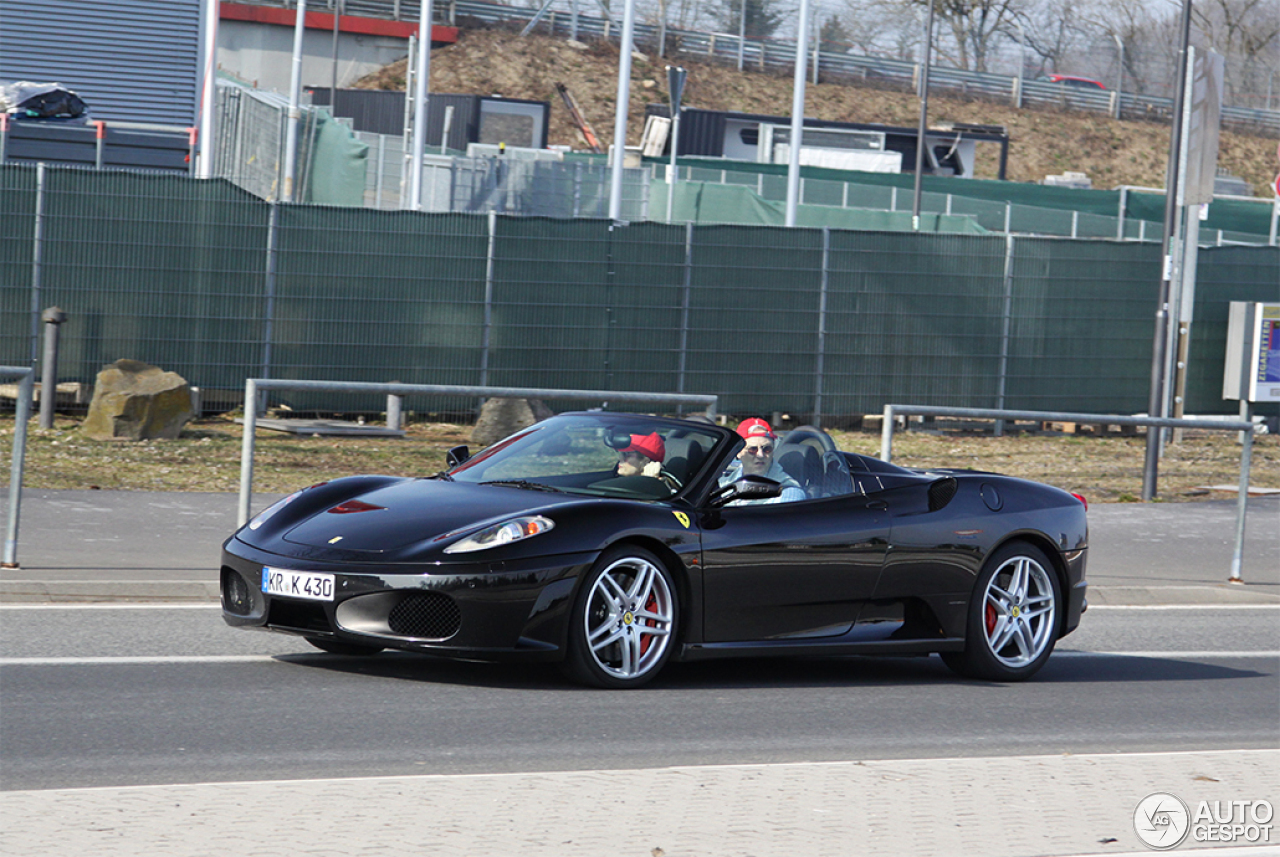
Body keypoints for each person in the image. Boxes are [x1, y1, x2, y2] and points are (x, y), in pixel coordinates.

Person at [718, 418, 806, 505]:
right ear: (738, 452)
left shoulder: (789, 493)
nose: (760, 455)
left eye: (767, 449)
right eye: (752, 449)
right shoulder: (721, 486)